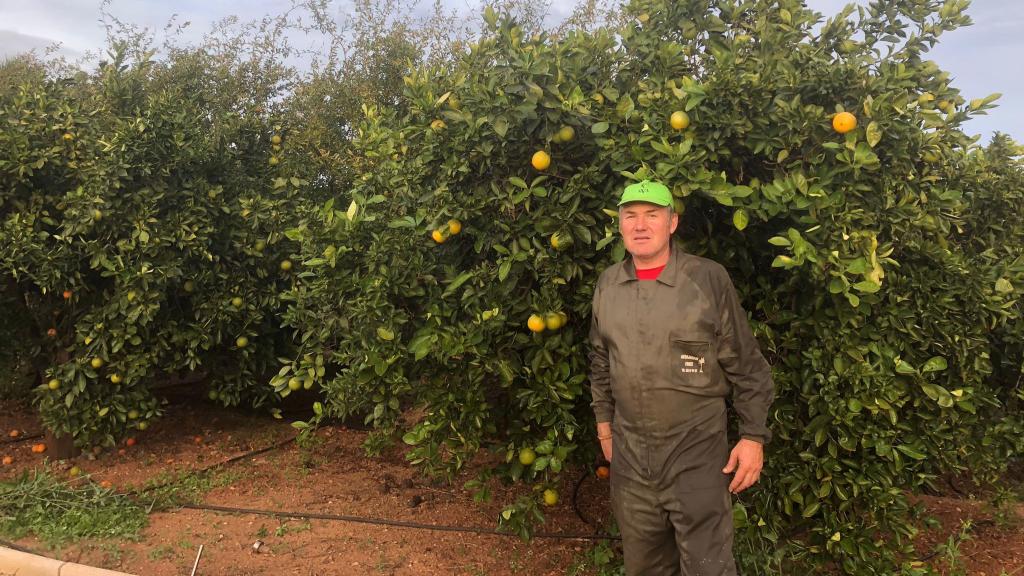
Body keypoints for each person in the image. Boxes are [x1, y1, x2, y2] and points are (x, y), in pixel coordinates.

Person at [588, 180, 775, 576]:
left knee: (709, 568)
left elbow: (747, 364)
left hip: (697, 457)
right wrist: (605, 428)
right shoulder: (609, 285)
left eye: (652, 215)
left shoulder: (706, 279)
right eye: (630, 216)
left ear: (672, 223)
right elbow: (601, 359)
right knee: (645, 567)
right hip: (631, 462)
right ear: (620, 225)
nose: (640, 225)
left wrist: (753, 436)